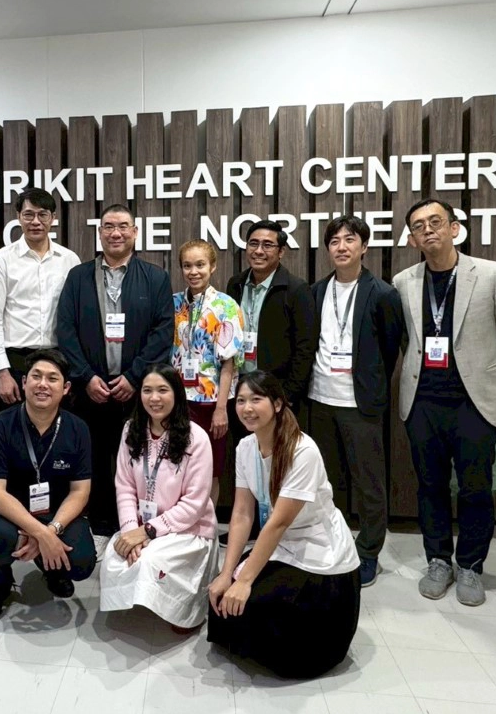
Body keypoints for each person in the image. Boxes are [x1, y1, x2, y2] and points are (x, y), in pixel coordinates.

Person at [394, 199, 496, 606]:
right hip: (423, 403)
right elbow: (406, 340)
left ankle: (470, 565)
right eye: (419, 226)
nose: (428, 230)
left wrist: (495, 383)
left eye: (436, 221)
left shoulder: (492, 275)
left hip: (474, 405)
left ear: (454, 228)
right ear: (413, 238)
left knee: (475, 489)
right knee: (430, 486)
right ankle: (438, 560)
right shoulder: (403, 281)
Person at [207, 371, 360, 679]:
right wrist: (226, 573)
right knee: (222, 598)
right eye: (241, 401)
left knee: (261, 605)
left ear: (277, 404)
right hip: (280, 544)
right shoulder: (245, 447)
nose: (247, 408)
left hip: (320, 554)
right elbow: (242, 514)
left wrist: (244, 581)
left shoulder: (303, 451)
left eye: (256, 399)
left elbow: (278, 523)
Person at [56, 204, 173, 542]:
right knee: (94, 457)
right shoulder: (78, 277)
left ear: (135, 232)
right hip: (90, 388)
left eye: (123, 226)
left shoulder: (155, 277)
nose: (116, 233)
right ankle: (100, 522)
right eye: (108, 226)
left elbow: (163, 332)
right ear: (100, 232)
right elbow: (65, 330)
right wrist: (85, 376)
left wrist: (135, 377)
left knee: (138, 456)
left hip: (137, 390)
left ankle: (136, 522)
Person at [307, 216, 404, 588]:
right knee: (325, 480)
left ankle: (368, 552)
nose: (342, 247)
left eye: (350, 240)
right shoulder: (317, 291)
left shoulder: (382, 294)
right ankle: (331, 542)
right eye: (334, 241)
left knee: (369, 483)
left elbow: (390, 348)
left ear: (364, 247)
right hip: (320, 399)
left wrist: (370, 383)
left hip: (359, 403)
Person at [0, 349, 96, 624]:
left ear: (65, 388)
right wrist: (41, 534)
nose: (43, 384)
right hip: (9, 515)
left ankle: (51, 568)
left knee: (82, 561)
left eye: (52, 378)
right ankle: (0, 580)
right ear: (24, 382)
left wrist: (51, 531)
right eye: (36, 376)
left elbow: (80, 492)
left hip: (56, 514)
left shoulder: (77, 429)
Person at [99, 364, 218, 630]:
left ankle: (183, 611)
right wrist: (130, 532)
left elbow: (194, 504)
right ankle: (144, 598)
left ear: (176, 394)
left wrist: (147, 532)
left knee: (151, 560)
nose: (154, 398)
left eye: (163, 390)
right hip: (141, 524)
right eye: (147, 390)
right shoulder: (131, 430)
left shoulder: (196, 437)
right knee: (116, 558)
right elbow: (125, 487)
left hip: (187, 528)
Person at [0, 187, 80, 408]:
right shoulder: (1, 260)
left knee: (58, 425)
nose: (35, 221)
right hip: (17, 362)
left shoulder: (69, 260)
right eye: (28, 215)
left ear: (52, 218)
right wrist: (3, 374)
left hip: (58, 360)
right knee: (17, 426)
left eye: (42, 214)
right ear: (19, 217)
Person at [171, 239, 244, 504]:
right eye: (187, 266)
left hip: (211, 402)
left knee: (210, 469)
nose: (194, 272)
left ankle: (206, 524)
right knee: (178, 466)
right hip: (177, 401)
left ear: (212, 266)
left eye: (200, 265)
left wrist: (221, 409)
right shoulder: (174, 304)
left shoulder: (226, 306)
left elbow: (229, 362)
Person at [226, 220, 317, 413]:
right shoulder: (235, 284)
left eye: (267, 245)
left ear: (281, 251)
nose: (258, 251)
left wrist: (287, 396)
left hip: (276, 394)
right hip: (239, 389)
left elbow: (305, 349)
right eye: (253, 243)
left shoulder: (296, 289)